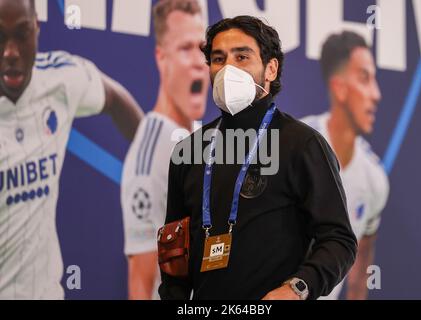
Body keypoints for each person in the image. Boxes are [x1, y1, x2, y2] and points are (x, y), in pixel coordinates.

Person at [159, 15, 357, 300]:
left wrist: (297, 289)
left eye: (242, 57)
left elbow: (339, 241)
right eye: (218, 59)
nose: (228, 70)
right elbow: (174, 253)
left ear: (271, 69)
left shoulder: (302, 144)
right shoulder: (188, 151)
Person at [0, 0, 143, 299]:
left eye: (22, 34)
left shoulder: (61, 78)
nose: (10, 52)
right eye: (0, 37)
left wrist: (150, 168)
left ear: (37, 30)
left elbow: (116, 99)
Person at [120, 0, 209, 300]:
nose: (200, 61)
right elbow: (141, 286)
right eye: (186, 48)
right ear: (162, 58)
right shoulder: (151, 156)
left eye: (203, 48)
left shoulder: (199, 138)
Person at [301, 31, 389, 300]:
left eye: (375, 80)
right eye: (365, 78)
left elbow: (360, 272)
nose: (376, 94)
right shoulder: (292, 146)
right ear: (339, 88)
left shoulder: (374, 180)